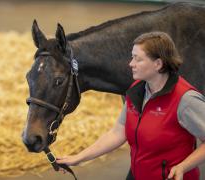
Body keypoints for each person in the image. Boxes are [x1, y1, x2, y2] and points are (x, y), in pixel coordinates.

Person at [56, 32, 205, 180]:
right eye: (132, 57)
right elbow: (118, 133)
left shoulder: (185, 99)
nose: (131, 64)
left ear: (158, 64)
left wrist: (183, 166)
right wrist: (79, 158)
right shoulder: (136, 90)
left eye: (137, 59)